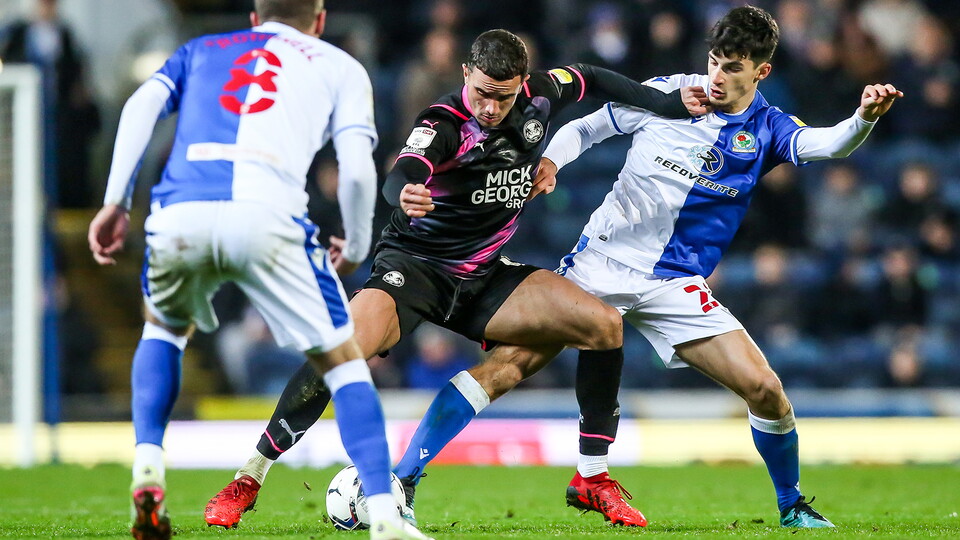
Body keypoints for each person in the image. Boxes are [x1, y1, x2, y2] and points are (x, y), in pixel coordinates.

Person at [204, 28, 708, 529]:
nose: (491, 107)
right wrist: (404, 193)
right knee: (339, 350)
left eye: (502, 96)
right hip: (415, 268)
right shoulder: (443, 121)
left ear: (520, 85)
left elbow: (592, 77)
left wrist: (664, 103)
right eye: (483, 93)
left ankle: (592, 478)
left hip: (484, 275)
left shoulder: (540, 94)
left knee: (604, 326)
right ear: (466, 74)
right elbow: (403, 169)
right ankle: (248, 478)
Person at [528, 4, 898, 528]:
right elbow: (587, 128)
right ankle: (402, 477)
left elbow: (829, 144)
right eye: (714, 61)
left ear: (761, 72)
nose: (717, 76)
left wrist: (863, 118)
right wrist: (550, 161)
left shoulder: (767, 126)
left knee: (766, 390)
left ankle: (792, 505)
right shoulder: (670, 93)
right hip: (603, 263)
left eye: (732, 67)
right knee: (507, 368)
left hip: (674, 282)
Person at [87, 1, 431, 539]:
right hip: (269, 213)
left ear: (254, 18)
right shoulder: (339, 65)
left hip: (181, 210)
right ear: (318, 20)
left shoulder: (198, 50)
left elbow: (138, 108)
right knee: (342, 365)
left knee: (163, 331)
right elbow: (359, 168)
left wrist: (114, 201)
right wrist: (359, 242)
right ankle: (385, 515)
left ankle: (148, 468)